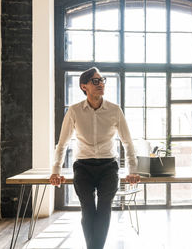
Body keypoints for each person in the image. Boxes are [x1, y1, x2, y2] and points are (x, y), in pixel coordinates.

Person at [49, 67, 140, 249]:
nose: (101, 84)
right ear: (84, 86)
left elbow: (127, 142)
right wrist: (55, 171)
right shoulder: (74, 111)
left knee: (105, 208)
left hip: (109, 166)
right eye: (95, 81)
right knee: (88, 210)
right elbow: (62, 143)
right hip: (83, 167)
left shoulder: (115, 110)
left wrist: (133, 171)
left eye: (102, 80)